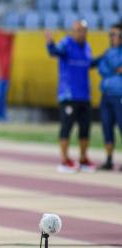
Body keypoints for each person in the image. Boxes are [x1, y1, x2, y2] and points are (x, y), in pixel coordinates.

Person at [46, 20, 96, 173]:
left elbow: (90, 64)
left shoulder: (87, 47)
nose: (81, 33)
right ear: (72, 31)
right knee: (66, 127)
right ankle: (64, 160)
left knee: (85, 129)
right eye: (78, 30)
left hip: (84, 96)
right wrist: (50, 44)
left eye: (83, 30)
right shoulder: (66, 43)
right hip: (68, 95)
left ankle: (83, 158)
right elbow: (54, 52)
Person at [97, 23, 122, 171]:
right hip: (106, 95)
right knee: (106, 127)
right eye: (111, 34)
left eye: (116, 34)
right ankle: (109, 159)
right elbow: (102, 67)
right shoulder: (107, 53)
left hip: (119, 95)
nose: (113, 37)